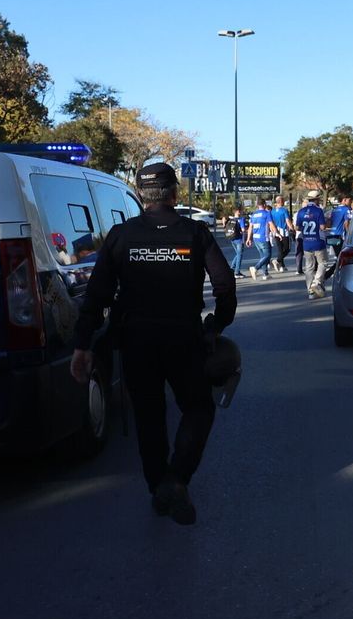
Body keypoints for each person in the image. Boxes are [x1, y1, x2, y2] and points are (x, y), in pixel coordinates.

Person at [70, 162, 237, 525]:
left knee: (149, 416)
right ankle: (177, 479)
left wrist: (82, 345)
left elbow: (97, 294)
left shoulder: (120, 235)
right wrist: (216, 325)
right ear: (174, 195)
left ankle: (158, 488)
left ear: (141, 195)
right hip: (184, 338)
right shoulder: (195, 233)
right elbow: (224, 286)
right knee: (198, 408)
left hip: (136, 341)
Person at [295, 191, 328, 298]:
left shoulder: (301, 211)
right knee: (323, 263)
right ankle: (317, 282)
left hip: (306, 242)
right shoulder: (319, 211)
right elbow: (323, 227)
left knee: (309, 267)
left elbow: (297, 228)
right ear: (317, 199)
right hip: (318, 241)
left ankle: (310, 291)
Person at [270, 195, 292, 273]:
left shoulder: (272, 211)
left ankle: (282, 266)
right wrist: (292, 229)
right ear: (281, 201)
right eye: (283, 200)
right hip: (284, 231)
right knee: (287, 249)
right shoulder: (284, 210)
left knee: (280, 249)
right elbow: (287, 221)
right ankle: (277, 260)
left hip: (276, 232)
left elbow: (271, 222)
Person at [227, 206, 248, 278]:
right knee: (239, 255)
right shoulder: (241, 219)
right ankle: (237, 272)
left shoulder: (232, 219)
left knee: (238, 254)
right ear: (238, 211)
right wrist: (247, 231)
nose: (242, 212)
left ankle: (232, 269)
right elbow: (243, 230)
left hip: (232, 239)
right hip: (239, 239)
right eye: (241, 211)